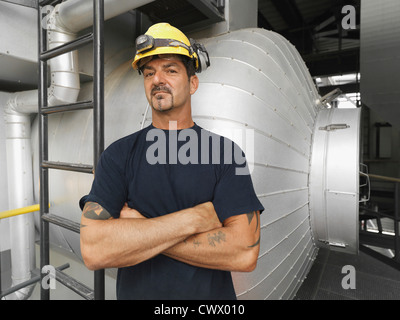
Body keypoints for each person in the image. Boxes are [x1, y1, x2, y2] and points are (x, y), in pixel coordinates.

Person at [79, 23, 264, 300]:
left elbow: (245, 251)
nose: (157, 79)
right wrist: (195, 218)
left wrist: (138, 227)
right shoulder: (118, 155)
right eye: (149, 73)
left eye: (171, 69)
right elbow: (93, 249)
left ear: (193, 83)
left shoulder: (226, 154)